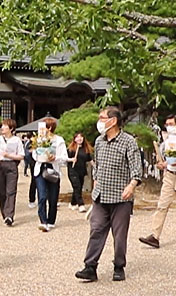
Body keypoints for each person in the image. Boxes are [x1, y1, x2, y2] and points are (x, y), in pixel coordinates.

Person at [75, 106, 142, 282]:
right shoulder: (99, 141)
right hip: (100, 195)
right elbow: (97, 165)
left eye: (102, 117)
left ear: (113, 121)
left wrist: (132, 185)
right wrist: (95, 181)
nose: (99, 121)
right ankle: (90, 267)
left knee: (119, 235)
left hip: (121, 197)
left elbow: (136, 168)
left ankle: (119, 266)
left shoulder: (128, 142)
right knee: (96, 230)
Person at [138, 114, 176, 249]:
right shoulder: (166, 142)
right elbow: (165, 160)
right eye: (167, 124)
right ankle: (155, 236)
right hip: (170, 176)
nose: (169, 127)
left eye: (172, 124)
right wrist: (163, 164)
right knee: (162, 204)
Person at [33, 117, 68, 232]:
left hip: (53, 170)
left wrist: (54, 158)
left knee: (53, 198)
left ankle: (51, 220)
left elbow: (64, 157)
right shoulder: (38, 139)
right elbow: (34, 154)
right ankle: (43, 221)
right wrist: (40, 156)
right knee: (42, 195)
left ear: (49, 127)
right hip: (40, 169)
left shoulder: (59, 140)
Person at [0, 119, 25, 226]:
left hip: (11, 165)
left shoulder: (17, 140)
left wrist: (9, 156)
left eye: (5, 126)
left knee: (11, 191)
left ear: (11, 128)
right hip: (0, 166)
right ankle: (5, 213)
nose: (2, 128)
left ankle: (9, 216)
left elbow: (21, 155)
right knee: (1, 191)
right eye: (2, 125)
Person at [67, 132, 93, 213]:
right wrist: (71, 159)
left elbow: (90, 159)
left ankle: (72, 203)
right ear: (74, 139)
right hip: (73, 170)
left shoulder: (86, 149)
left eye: (81, 137)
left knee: (78, 188)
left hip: (81, 171)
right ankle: (81, 205)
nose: (79, 138)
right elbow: (65, 158)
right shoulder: (71, 149)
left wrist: (96, 166)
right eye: (77, 137)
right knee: (77, 186)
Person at [24, 135, 37, 209]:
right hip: (33, 164)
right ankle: (32, 200)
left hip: (43, 163)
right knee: (34, 181)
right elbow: (27, 154)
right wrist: (30, 163)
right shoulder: (30, 142)